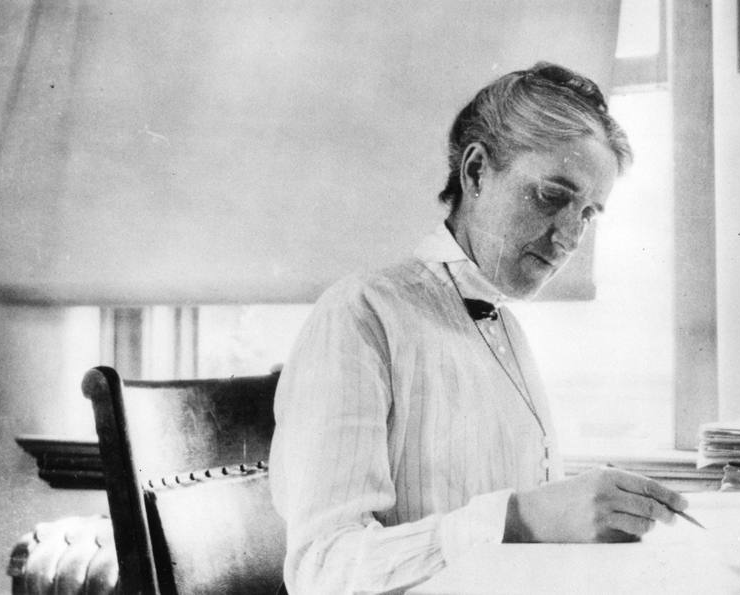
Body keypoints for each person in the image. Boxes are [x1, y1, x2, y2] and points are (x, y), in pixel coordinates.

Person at [269, 61, 689, 595]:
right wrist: (519, 521)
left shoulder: (505, 327)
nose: (568, 238)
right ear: (475, 173)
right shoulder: (361, 314)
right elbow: (322, 570)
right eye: (553, 195)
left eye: (588, 213)